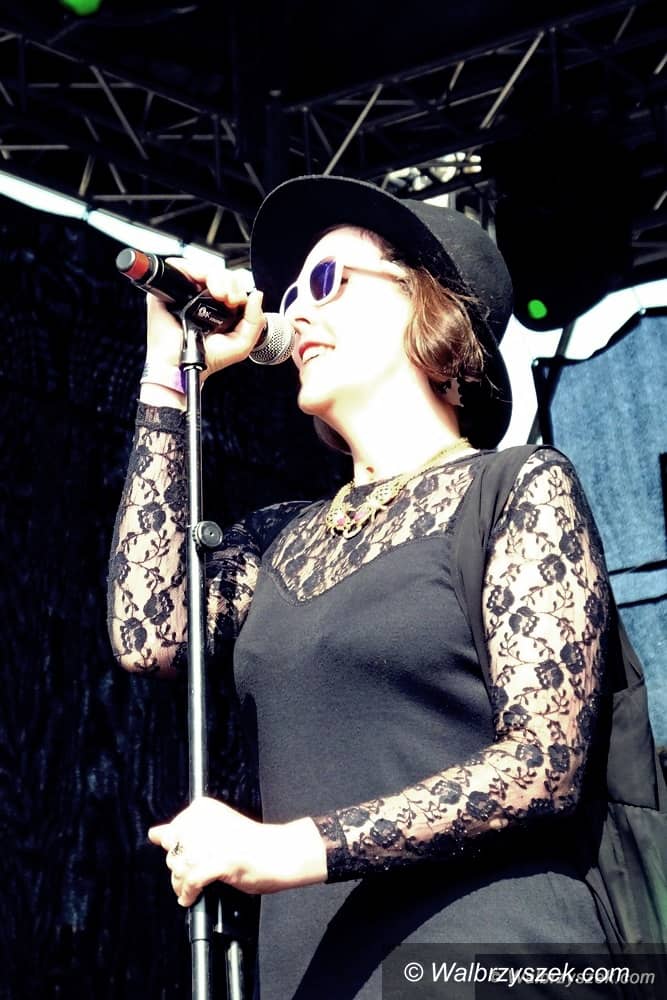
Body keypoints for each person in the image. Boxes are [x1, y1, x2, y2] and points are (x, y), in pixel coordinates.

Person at [107, 175, 615, 998]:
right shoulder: (280, 539)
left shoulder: (515, 487)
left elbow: (542, 765)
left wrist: (292, 848)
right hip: (319, 975)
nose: (296, 313)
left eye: (325, 281)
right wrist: (169, 372)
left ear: (427, 307)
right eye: (289, 296)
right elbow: (148, 635)